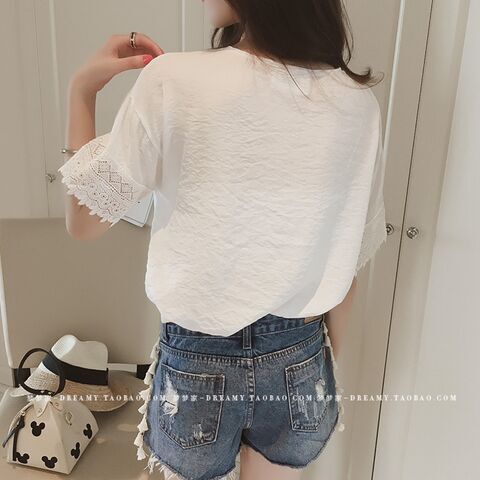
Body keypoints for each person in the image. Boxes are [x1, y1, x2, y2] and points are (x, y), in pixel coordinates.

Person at [58, 1, 388, 479]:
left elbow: (83, 221)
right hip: (301, 355)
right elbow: (348, 258)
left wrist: (81, 89)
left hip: (198, 357)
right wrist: (322, 363)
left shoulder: (174, 80)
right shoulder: (356, 103)